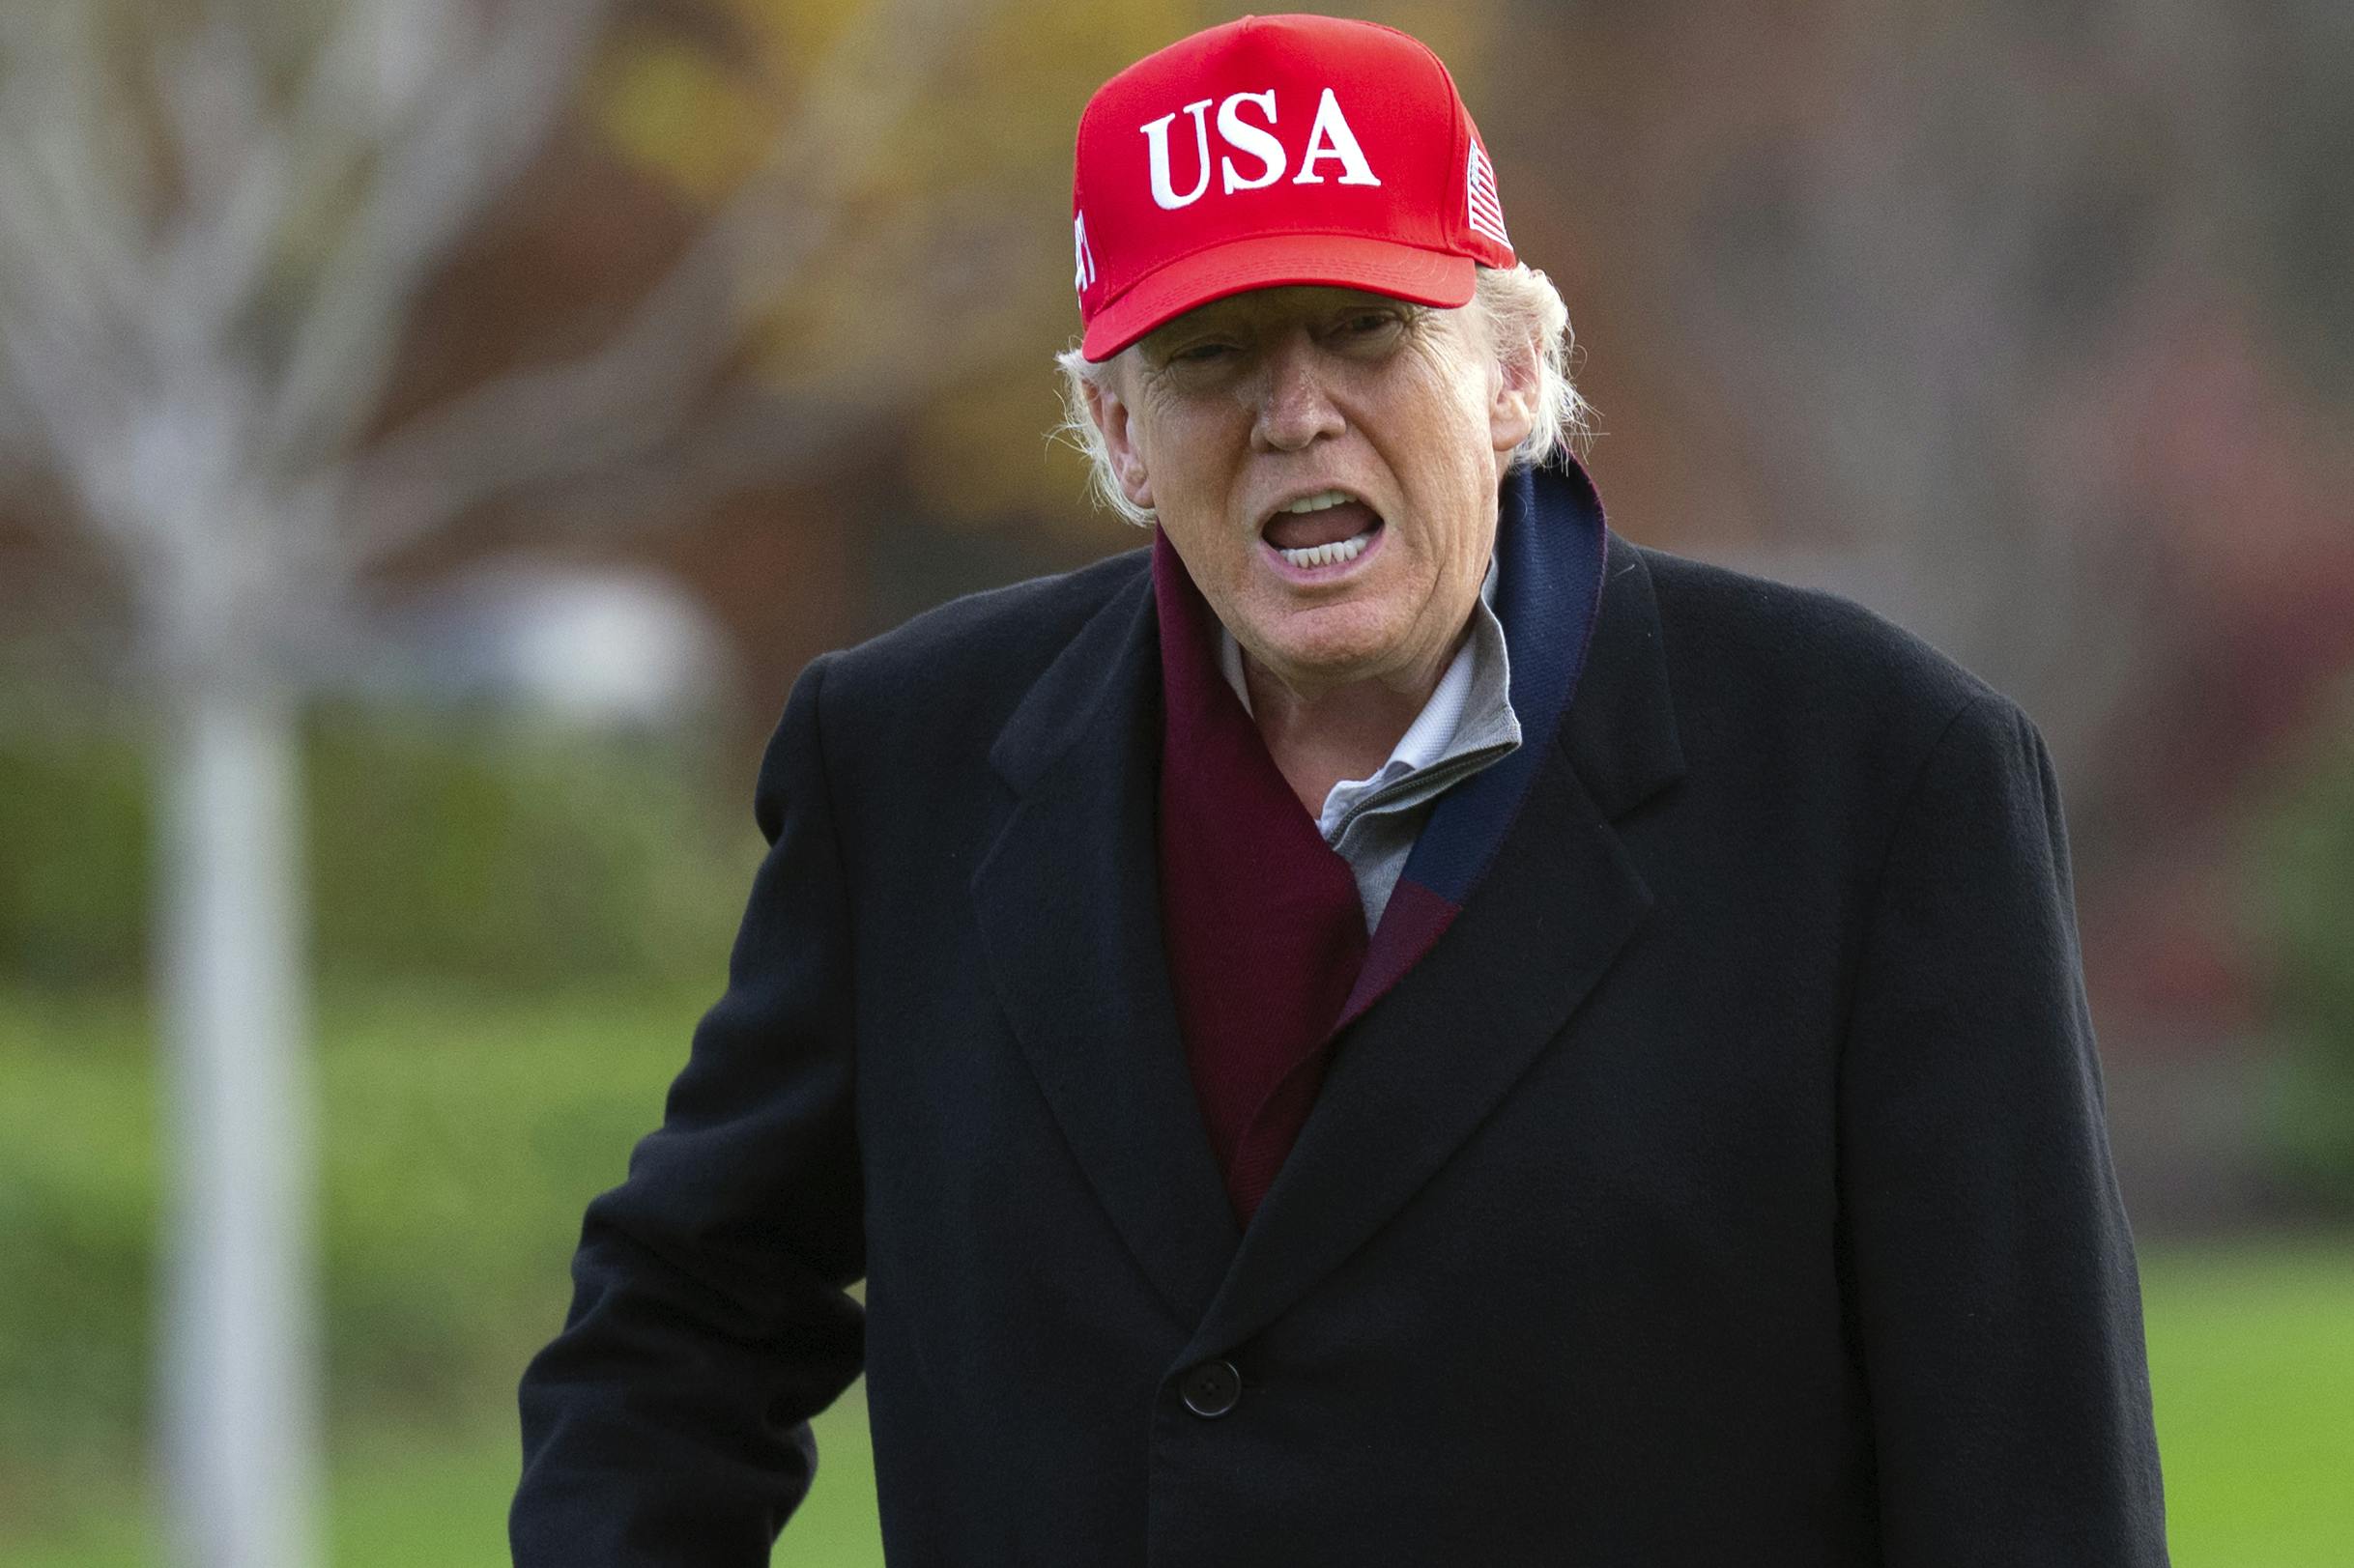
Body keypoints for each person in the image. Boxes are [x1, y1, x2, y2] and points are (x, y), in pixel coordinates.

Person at [511, 14, 2169, 1564]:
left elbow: (2030, 1470)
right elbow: (683, 1322)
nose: (1298, 414)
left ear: (1514, 372)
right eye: (1212, 355)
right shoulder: (907, 762)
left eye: (1369, 330)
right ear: (1117, 431)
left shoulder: (1880, 780)